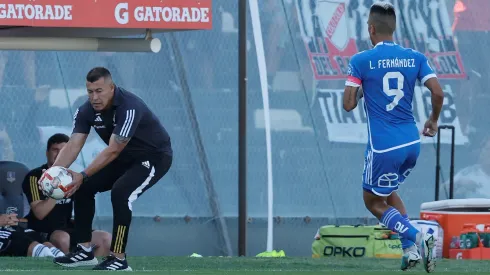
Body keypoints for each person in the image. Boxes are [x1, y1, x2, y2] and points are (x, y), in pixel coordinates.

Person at [342, 2, 444, 273]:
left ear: (370, 29)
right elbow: (438, 93)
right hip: (411, 142)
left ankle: (417, 237)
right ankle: (409, 251)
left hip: (383, 145)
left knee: (373, 202)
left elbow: (348, 104)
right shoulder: (415, 57)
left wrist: (360, 85)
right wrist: (433, 120)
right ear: (394, 28)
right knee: (389, 192)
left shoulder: (361, 60)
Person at [43, 67, 173, 270]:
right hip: (124, 158)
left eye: (99, 91)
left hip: (153, 157)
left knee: (121, 193)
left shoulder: (129, 106)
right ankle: (85, 251)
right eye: (90, 91)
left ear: (112, 88)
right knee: (84, 187)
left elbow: (113, 150)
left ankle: (119, 259)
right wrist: (54, 173)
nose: (94, 97)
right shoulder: (86, 110)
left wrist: (82, 174)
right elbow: (73, 145)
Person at [23, 133, 112, 255]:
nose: (59, 154)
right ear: (47, 152)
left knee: (105, 238)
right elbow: (39, 214)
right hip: (42, 230)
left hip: (67, 227)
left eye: (63, 150)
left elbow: (82, 207)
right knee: (63, 238)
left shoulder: (73, 177)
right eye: (55, 150)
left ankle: (90, 269)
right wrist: (56, 189)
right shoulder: (35, 176)